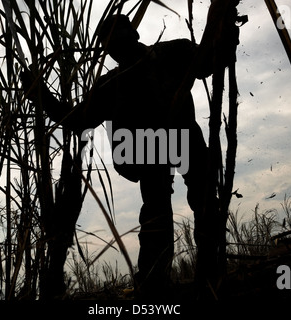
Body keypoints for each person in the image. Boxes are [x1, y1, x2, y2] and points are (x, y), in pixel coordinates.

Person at [22, 13, 238, 298]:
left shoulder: (172, 51)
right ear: (108, 51)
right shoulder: (110, 84)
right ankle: (154, 285)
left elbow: (211, 63)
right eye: (109, 42)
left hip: (186, 138)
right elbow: (77, 121)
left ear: (134, 34)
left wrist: (226, 33)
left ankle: (211, 272)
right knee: (157, 212)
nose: (114, 44)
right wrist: (38, 92)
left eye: (118, 35)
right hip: (147, 154)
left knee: (204, 198)